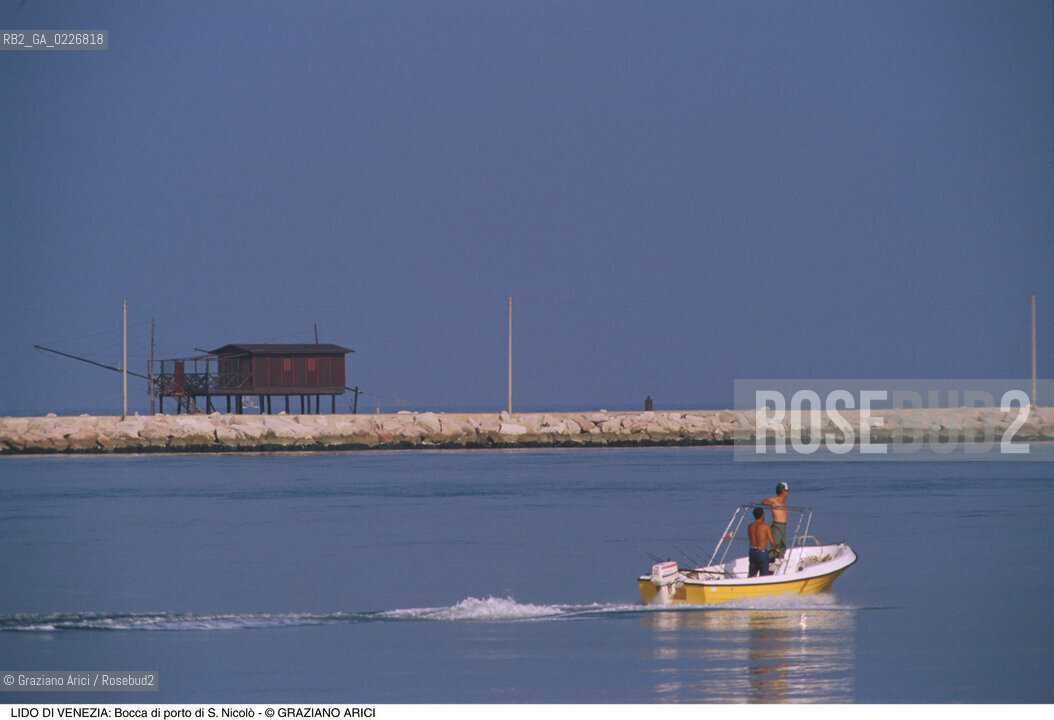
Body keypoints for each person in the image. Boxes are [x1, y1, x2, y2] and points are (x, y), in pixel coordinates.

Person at [762, 482, 789, 558]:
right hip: (777, 525)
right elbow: (763, 501)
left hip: (784, 526)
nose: (787, 492)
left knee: (783, 545)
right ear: (782, 491)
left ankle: (780, 558)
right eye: (786, 491)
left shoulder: (783, 501)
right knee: (775, 545)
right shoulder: (774, 500)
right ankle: (768, 560)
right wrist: (771, 503)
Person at [747, 507, 775, 577]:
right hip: (761, 552)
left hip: (752, 551)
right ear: (762, 515)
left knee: (752, 575)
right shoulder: (765, 526)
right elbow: (771, 540)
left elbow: (750, 537)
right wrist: (776, 548)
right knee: (764, 576)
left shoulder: (750, 526)